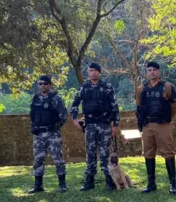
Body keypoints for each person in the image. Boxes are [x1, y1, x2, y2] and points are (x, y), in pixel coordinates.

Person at [69, 63, 120, 191]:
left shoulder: (107, 87)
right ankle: (89, 181)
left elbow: (114, 107)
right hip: (90, 125)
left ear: (99, 72)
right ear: (88, 72)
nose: (93, 73)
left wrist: (116, 125)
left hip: (104, 124)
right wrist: (74, 119)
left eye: (96, 71)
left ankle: (109, 181)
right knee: (90, 152)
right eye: (91, 71)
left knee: (105, 153)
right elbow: (75, 103)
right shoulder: (84, 87)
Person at [135, 61, 176, 194]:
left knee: (168, 153)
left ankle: (172, 184)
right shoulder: (141, 89)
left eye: (154, 70)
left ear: (158, 71)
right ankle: (151, 183)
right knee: (148, 153)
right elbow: (139, 105)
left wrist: (167, 116)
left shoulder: (167, 87)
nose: (152, 72)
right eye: (149, 70)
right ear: (147, 72)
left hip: (162, 124)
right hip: (147, 124)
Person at [29, 75, 68, 193]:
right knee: (38, 159)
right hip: (39, 134)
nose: (42, 86)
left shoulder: (55, 99)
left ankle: (62, 184)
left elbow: (64, 115)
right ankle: (38, 185)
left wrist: (55, 127)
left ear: (50, 85)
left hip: (52, 133)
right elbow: (32, 115)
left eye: (45, 83)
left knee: (58, 158)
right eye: (40, 83)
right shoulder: (35, 98)